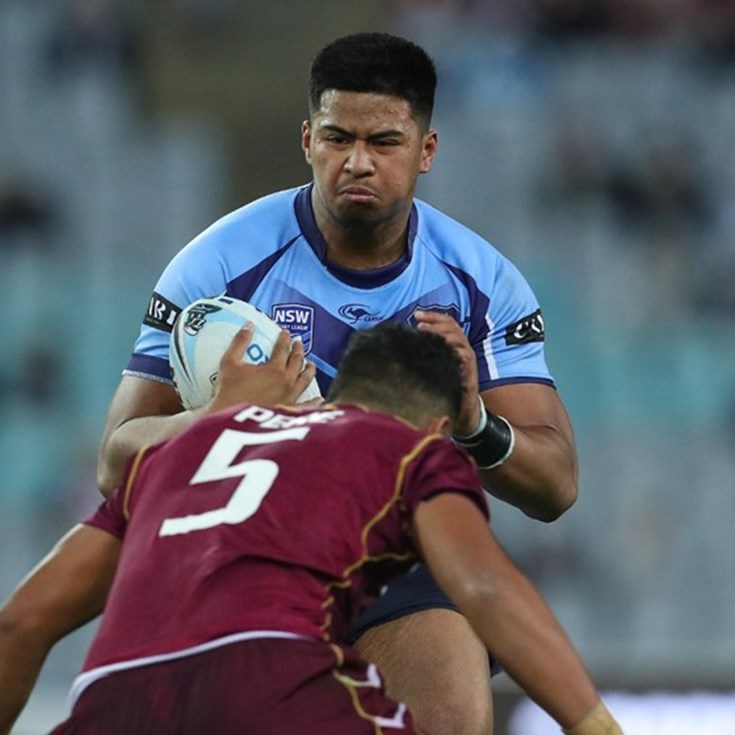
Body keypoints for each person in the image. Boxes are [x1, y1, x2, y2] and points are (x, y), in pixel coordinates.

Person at [96, 32, 579, 734]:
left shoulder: (483, 284)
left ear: (426, 150)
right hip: (244, 557)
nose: (357, 161)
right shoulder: (218, 267)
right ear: (307, 140)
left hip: (397, 558)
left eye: (384, 141)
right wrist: (220, 416)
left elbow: (556, 486)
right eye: (337, 138)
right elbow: (115, 461)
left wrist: (472, 420)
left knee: (450, 713)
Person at [0, 324, 619, 735]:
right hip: (271, 684)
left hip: (111, 699)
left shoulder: (178, 450)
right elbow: (485, 589)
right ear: (436, 425)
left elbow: (21, 623)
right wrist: (596, 726)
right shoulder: (406, 450)